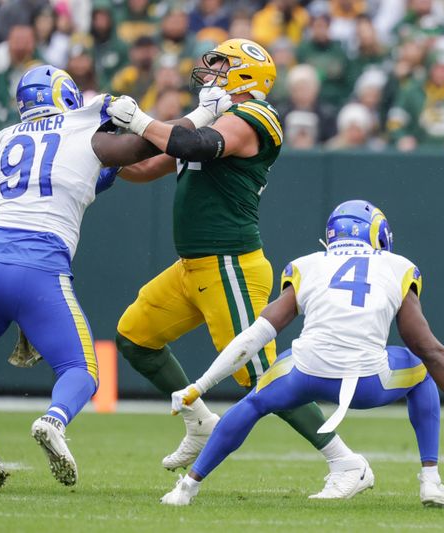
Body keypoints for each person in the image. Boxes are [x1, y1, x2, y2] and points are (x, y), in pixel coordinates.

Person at [107, 39, 368, 499]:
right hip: (194, 266)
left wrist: (143, 120)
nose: (210, 72)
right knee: (135, 337)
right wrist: (96, 158)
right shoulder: (217, 116)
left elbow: (193, 142)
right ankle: (200, 421)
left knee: (262, 375)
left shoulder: (257, 118)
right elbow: (148, 166)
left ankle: (346, 461)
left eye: (221, 66)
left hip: (230, 262)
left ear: (247, 75)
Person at [159, 200, 444, 508]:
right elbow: (427, 347)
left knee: (254, 401)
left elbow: (256, 335)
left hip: (306, 377)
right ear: (378, 234)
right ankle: (431, 482)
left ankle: (187, 488)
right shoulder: (399, 267)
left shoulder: (307, 265)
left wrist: (199, 387)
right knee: (421, 371)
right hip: (369, 384)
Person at [0, 64, 189, 487]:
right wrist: (204, 117)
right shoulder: (81, 130)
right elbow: (140, 149)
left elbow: (82, 176)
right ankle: (54, 421)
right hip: (39, 265)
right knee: (81, 368)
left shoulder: (6, 138)